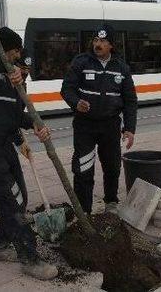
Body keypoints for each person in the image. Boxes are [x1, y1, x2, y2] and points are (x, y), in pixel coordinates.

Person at [0, 27, 57, 280]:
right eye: (14, 52)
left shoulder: (10, 81)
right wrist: (7, 67)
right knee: (11, 202)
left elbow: (15, 115)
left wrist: (35, 124)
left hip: (4, 144)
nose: (16, 57)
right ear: (3, 48)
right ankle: (29, 258)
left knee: (20, 198)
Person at [60, 24, 137, 215]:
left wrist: (130, 128)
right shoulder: (81, 62)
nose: (98, 44)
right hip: (85, 125)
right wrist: (76, 102)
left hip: (110, 126)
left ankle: (111, 202)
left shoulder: (121, 68)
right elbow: (66, 89)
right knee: (83, 167)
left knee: (112, 167)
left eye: (103, 41)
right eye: (96, 40)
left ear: (111, 45)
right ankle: (84, 210)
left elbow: (130, 100)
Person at [0, 49, 32, 213]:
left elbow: (16, 116)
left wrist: (20, 141)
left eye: (27, 72)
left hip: (8, 135)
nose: (24, 74)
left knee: (7, 172)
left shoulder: (22, 84)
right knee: (4, 172)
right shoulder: (2, 82)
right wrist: (18, 139)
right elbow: (6, 116)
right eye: (22, 69)